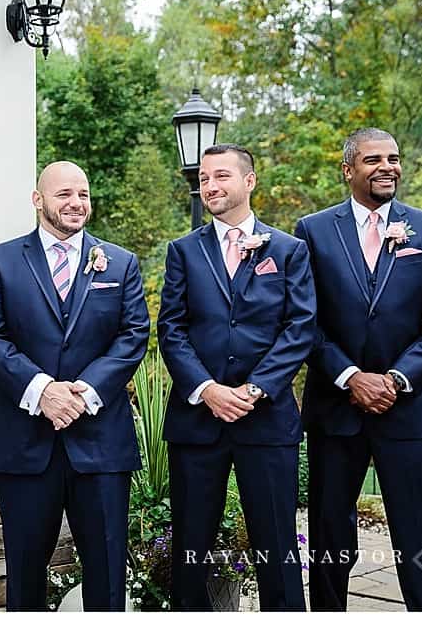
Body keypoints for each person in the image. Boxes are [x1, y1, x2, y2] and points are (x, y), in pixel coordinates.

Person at [295, 127, 422, 610]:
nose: (387, 166)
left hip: (407, 410)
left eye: (393, 158)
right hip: (336, 410)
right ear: (349, 170)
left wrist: (395, 379)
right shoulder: (313, 230)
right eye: (373, 159)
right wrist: (349, 376)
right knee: (329, 531)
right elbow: (306, 321)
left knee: (420, 534)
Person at [0, 161, 149, 610]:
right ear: (38, 200)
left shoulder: (121, 263)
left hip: (101, 444)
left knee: (107, 574)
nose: (76, 203)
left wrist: (84, 393)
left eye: (83, 194)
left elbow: (132, 336)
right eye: (64, 194)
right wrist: (43, 391)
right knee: (25, 574)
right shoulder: (1, 261)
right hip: (25, 441)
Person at [158, 144, 316, 610]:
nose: (210, 185)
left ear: (249, 181)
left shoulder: (288, 251)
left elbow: (299, 327)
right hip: (197, 422)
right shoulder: (183, 252)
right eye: (205, 178)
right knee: (190, 545)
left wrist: (253, 389)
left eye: (221, 175)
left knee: (276, 545)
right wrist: (207, 390)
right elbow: (172, 328)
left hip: (265, 420)